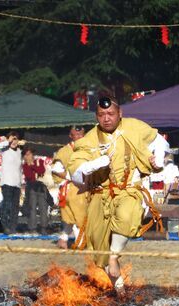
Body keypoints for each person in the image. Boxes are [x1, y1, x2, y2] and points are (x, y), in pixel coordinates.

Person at [68, 96, 169, 294]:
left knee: (126, 214)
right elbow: (74, 171)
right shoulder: (89, 139)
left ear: (120, 113)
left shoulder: (134, 127)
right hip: (100, 195)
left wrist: (158, 159)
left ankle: (114, 257)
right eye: (101, 114)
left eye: (110, 114)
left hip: (129, 190)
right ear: (96, 116)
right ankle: (119, 288)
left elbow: (160, 142)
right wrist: (95, 164)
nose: (106, 118)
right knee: (99, 247)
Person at [51, 126, 87, 249]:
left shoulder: (88, 149)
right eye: (75, 135)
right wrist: (71, 177)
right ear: (70, 136)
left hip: (86, 187)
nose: (78, 137)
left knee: (71, 216)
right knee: (79, 215)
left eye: (80, 135)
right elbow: (56, 169)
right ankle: (80, 242)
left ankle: (63, 239)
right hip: (72, 188)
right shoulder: (64, 152)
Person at [0, 131, 22, 234]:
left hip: (17, 183)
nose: (14, 141)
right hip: (7, 182)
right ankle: (5, 226)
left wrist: (21, 182)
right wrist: (7, 141)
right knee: (7, 205)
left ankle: (13, 226)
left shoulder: (19, 151)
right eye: (12, 139)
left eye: (16, 139)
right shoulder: (4, 150)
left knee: (15, 206)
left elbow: (20, 168)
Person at [22, 147, 50, 235]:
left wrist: (33, 165)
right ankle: (32, 227)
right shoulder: (24, 165)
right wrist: (31, 166)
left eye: (29, 154)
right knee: (32, 208)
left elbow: (41, 170)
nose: (28, 156)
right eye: (26, 155)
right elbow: (28, 176)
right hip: (31, 187)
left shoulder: (39, 161)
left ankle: (43, 227)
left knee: (43, 207)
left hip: (41, 186)